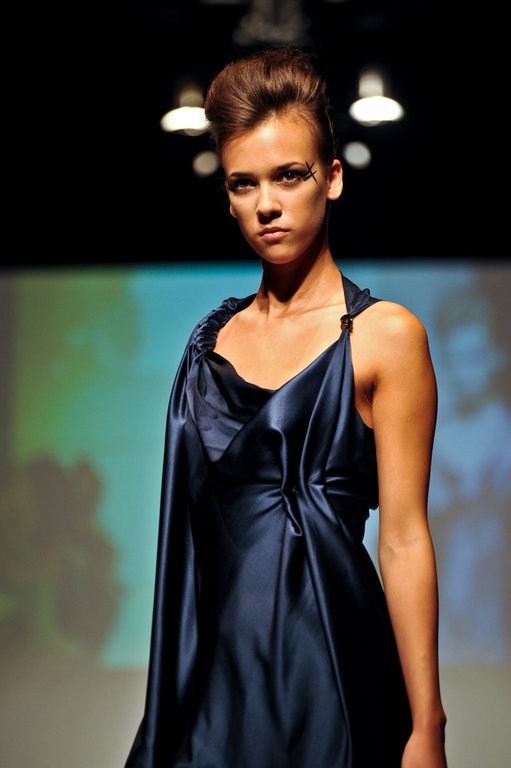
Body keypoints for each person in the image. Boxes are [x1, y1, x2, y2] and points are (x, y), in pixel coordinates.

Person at [125, 47, 447, 768]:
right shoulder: (208, 344)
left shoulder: (385, 337)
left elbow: (403, 538)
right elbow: (186, 542)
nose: (265, 204)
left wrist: (427, 726)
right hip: (213, 682)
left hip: (331, 666)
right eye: (243, 183)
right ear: (228, 196)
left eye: (288, 175)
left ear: (331, 178)